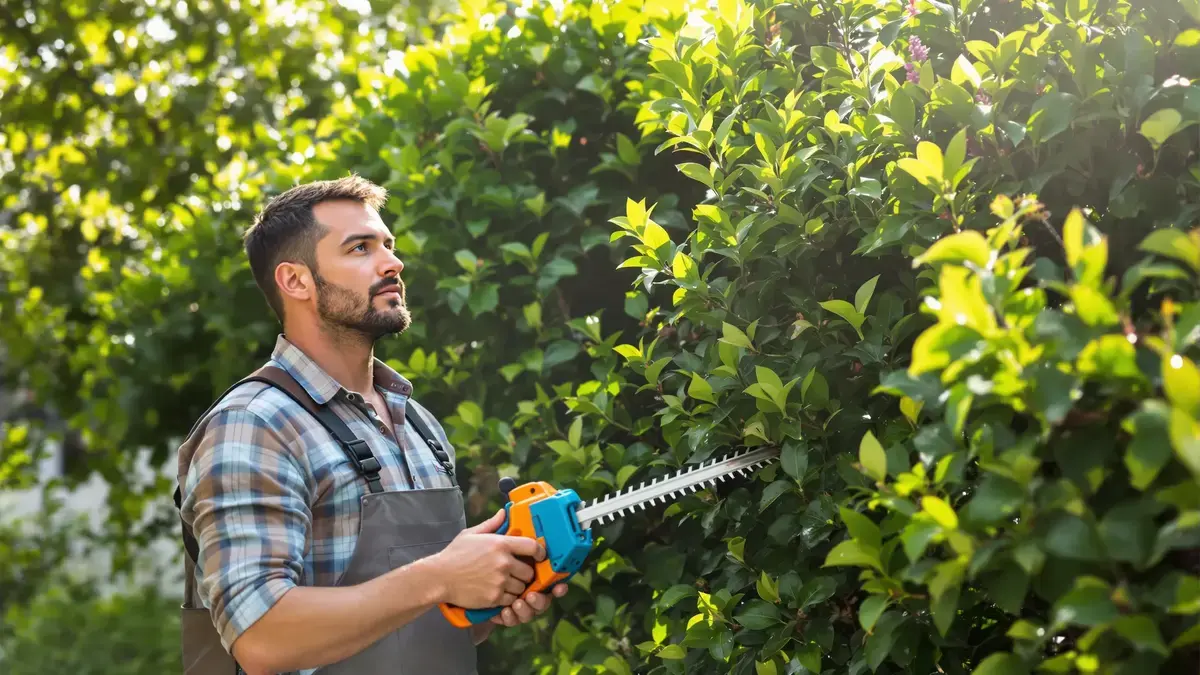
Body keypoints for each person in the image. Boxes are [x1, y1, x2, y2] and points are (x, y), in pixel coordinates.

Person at [174, 175, 567, 675]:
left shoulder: (417, 423)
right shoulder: (254, 426)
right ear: (295, 281)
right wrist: (440, 577)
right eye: (360, 248)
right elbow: (261, 638)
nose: (393, 262)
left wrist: (492, 593)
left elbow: (420, 618)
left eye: (388, 245)